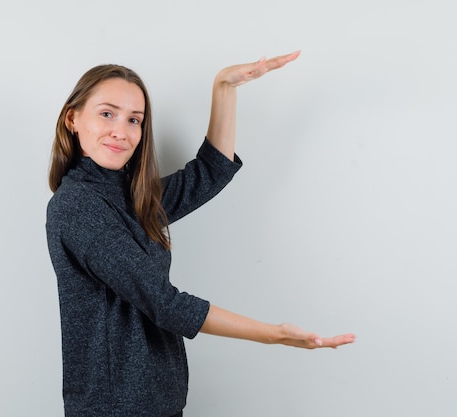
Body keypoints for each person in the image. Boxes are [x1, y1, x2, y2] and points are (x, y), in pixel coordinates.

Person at [46, 51, 355, 417]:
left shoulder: (129, 195)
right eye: (107, 113)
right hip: (115, 408)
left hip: (158, 402)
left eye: (135, 120)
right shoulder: (77, 206)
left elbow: (210, 172)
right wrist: (275, 334)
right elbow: (165, 304)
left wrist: (224, 86)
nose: (121, 131)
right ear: (72, 118)